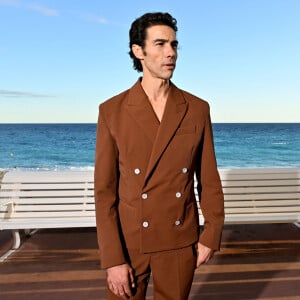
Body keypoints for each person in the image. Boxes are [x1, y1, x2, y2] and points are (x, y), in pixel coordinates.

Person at [94, 12, 224, 300]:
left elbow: (209, 179)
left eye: (174, 45)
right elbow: (105, 193)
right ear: (138, 51)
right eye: (161, 44)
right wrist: (113, 259)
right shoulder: (112, 110)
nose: (170, 53)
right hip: (129, 242)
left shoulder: (197, 108)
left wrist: (210, 236)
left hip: (179, 240)